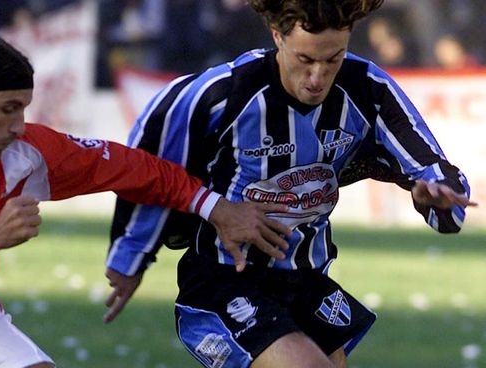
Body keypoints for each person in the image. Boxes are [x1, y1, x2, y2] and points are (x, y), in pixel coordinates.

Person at [0, 30, 286, 368]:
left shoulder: (22, 150)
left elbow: (128, 167)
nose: (18, 125)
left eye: (24, 109)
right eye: (8, 109)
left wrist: (214, 206)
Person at [104, 0, 477, 367]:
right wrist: (131, 254)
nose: (317, 78)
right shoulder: (226, 92)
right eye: (305, 60)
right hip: (224, 280)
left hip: (306, 281)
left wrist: (439, 195)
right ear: (277, 37)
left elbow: (431, 166)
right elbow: (151, 152)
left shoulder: (368, 89)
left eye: (333, 60)